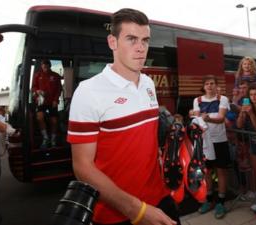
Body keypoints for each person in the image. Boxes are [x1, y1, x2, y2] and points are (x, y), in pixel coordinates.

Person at [67, 8, 179, 225]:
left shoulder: (148, 83)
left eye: (145, 40)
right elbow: (82, 167)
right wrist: (137, 211)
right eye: (131, 39)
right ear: (113, 42)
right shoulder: (88, 91)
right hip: (117, 215)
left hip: (161, 199)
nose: (140, 48)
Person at [193, 75, 229, 219]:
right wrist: (200, 118)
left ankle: (221, 202)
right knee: (207, 171)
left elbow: (221, 119)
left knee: (221, 171)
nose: (209, 86)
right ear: (204, 86)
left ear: (216, 85)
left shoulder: (223, 99)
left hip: (220, 140)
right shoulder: (197, 100)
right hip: (205, 143)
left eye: (212, 83)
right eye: (207, 83)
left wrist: (207, 118)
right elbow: (197, 119)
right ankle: (209, 200)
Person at [236, 84, 256, 207]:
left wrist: (251, 114)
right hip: (254, 144)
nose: (254, 97)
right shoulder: (248, 108)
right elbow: (239, 125)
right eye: (251, 95)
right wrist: (242, 113)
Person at [32, 59, 62, 148]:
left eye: (46, 66)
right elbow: (33, 87)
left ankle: (53, 139)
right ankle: (45, 138)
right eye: (43, 66)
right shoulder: (37, 75)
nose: (45, 68)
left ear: (49, 66)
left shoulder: (56, 76)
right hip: (41, 102)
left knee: (54, 121)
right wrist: (37, 91)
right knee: (39, 118)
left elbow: (59, 89)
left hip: (52, 102)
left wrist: (56, 100)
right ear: (41, 66)